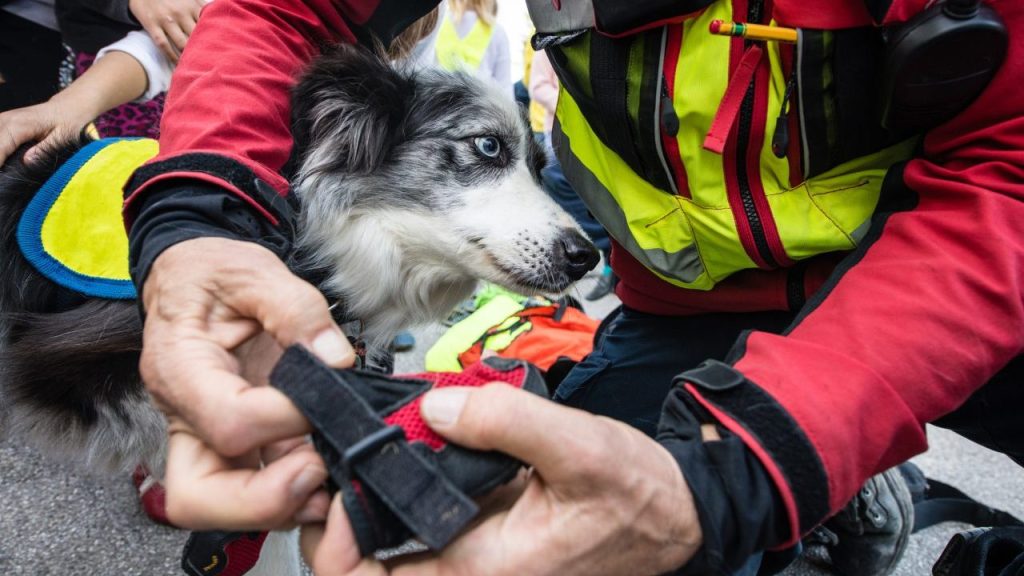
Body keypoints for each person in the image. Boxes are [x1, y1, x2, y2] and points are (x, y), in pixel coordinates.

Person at [120, 1, 1024, 576]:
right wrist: (201, 225)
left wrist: (752, 463)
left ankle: (838, 476)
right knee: (551, 524)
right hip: (688, 310)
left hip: (928, 276)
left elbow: (1008, 166)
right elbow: (284, 11)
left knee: (708, 502)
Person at [433, 0, 511, 95]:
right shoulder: (497, 32)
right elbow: (505, 88)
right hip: (479, 106)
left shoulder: (437, 25)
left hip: (438, 103)